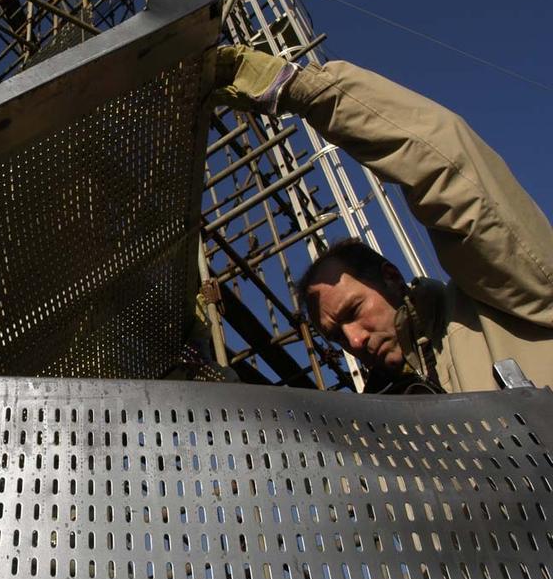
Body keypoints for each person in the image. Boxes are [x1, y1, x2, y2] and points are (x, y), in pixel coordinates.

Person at [208, 46, 553, 393]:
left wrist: (300, 89)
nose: (354, 342)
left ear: (392, 278)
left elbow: (447, 170)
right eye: (336, 336)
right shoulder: (383, 423)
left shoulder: (506, 304)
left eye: (353, 311)